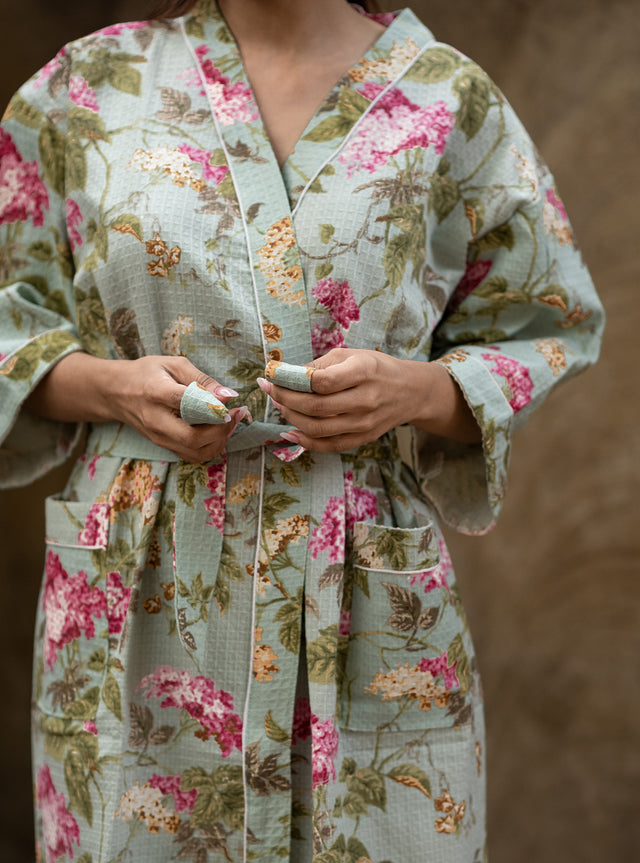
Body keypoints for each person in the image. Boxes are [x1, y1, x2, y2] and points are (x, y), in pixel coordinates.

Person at [0, 0, 604, 860]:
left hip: (358, 579)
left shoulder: (446, 100)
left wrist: (419, 391)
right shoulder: (91, 87)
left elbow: (550, 319)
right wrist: (112, 389)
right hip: (142, 575)